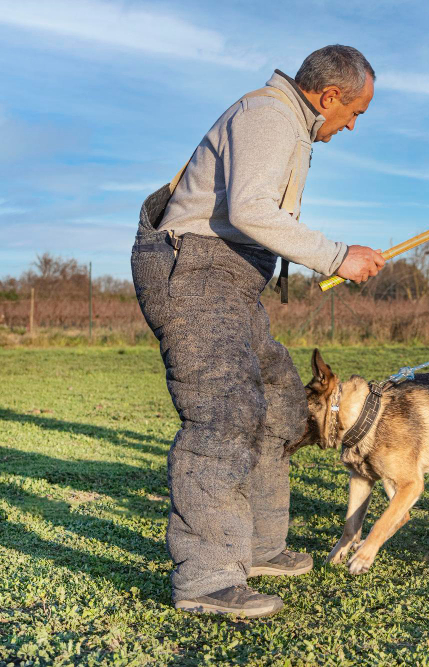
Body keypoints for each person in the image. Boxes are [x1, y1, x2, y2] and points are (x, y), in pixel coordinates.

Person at [131, 45, 386, 616]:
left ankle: (262, 548)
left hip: (228, 280)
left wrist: (331, 256)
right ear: (329, 98)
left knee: (279, 405)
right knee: (224, 413)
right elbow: (249, 210)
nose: (351, 126)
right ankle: (206, 579)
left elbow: (254, 216)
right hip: (194, 269)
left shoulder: (286, 122)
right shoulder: (270, 115)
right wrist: (337, 255)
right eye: (355, 114)